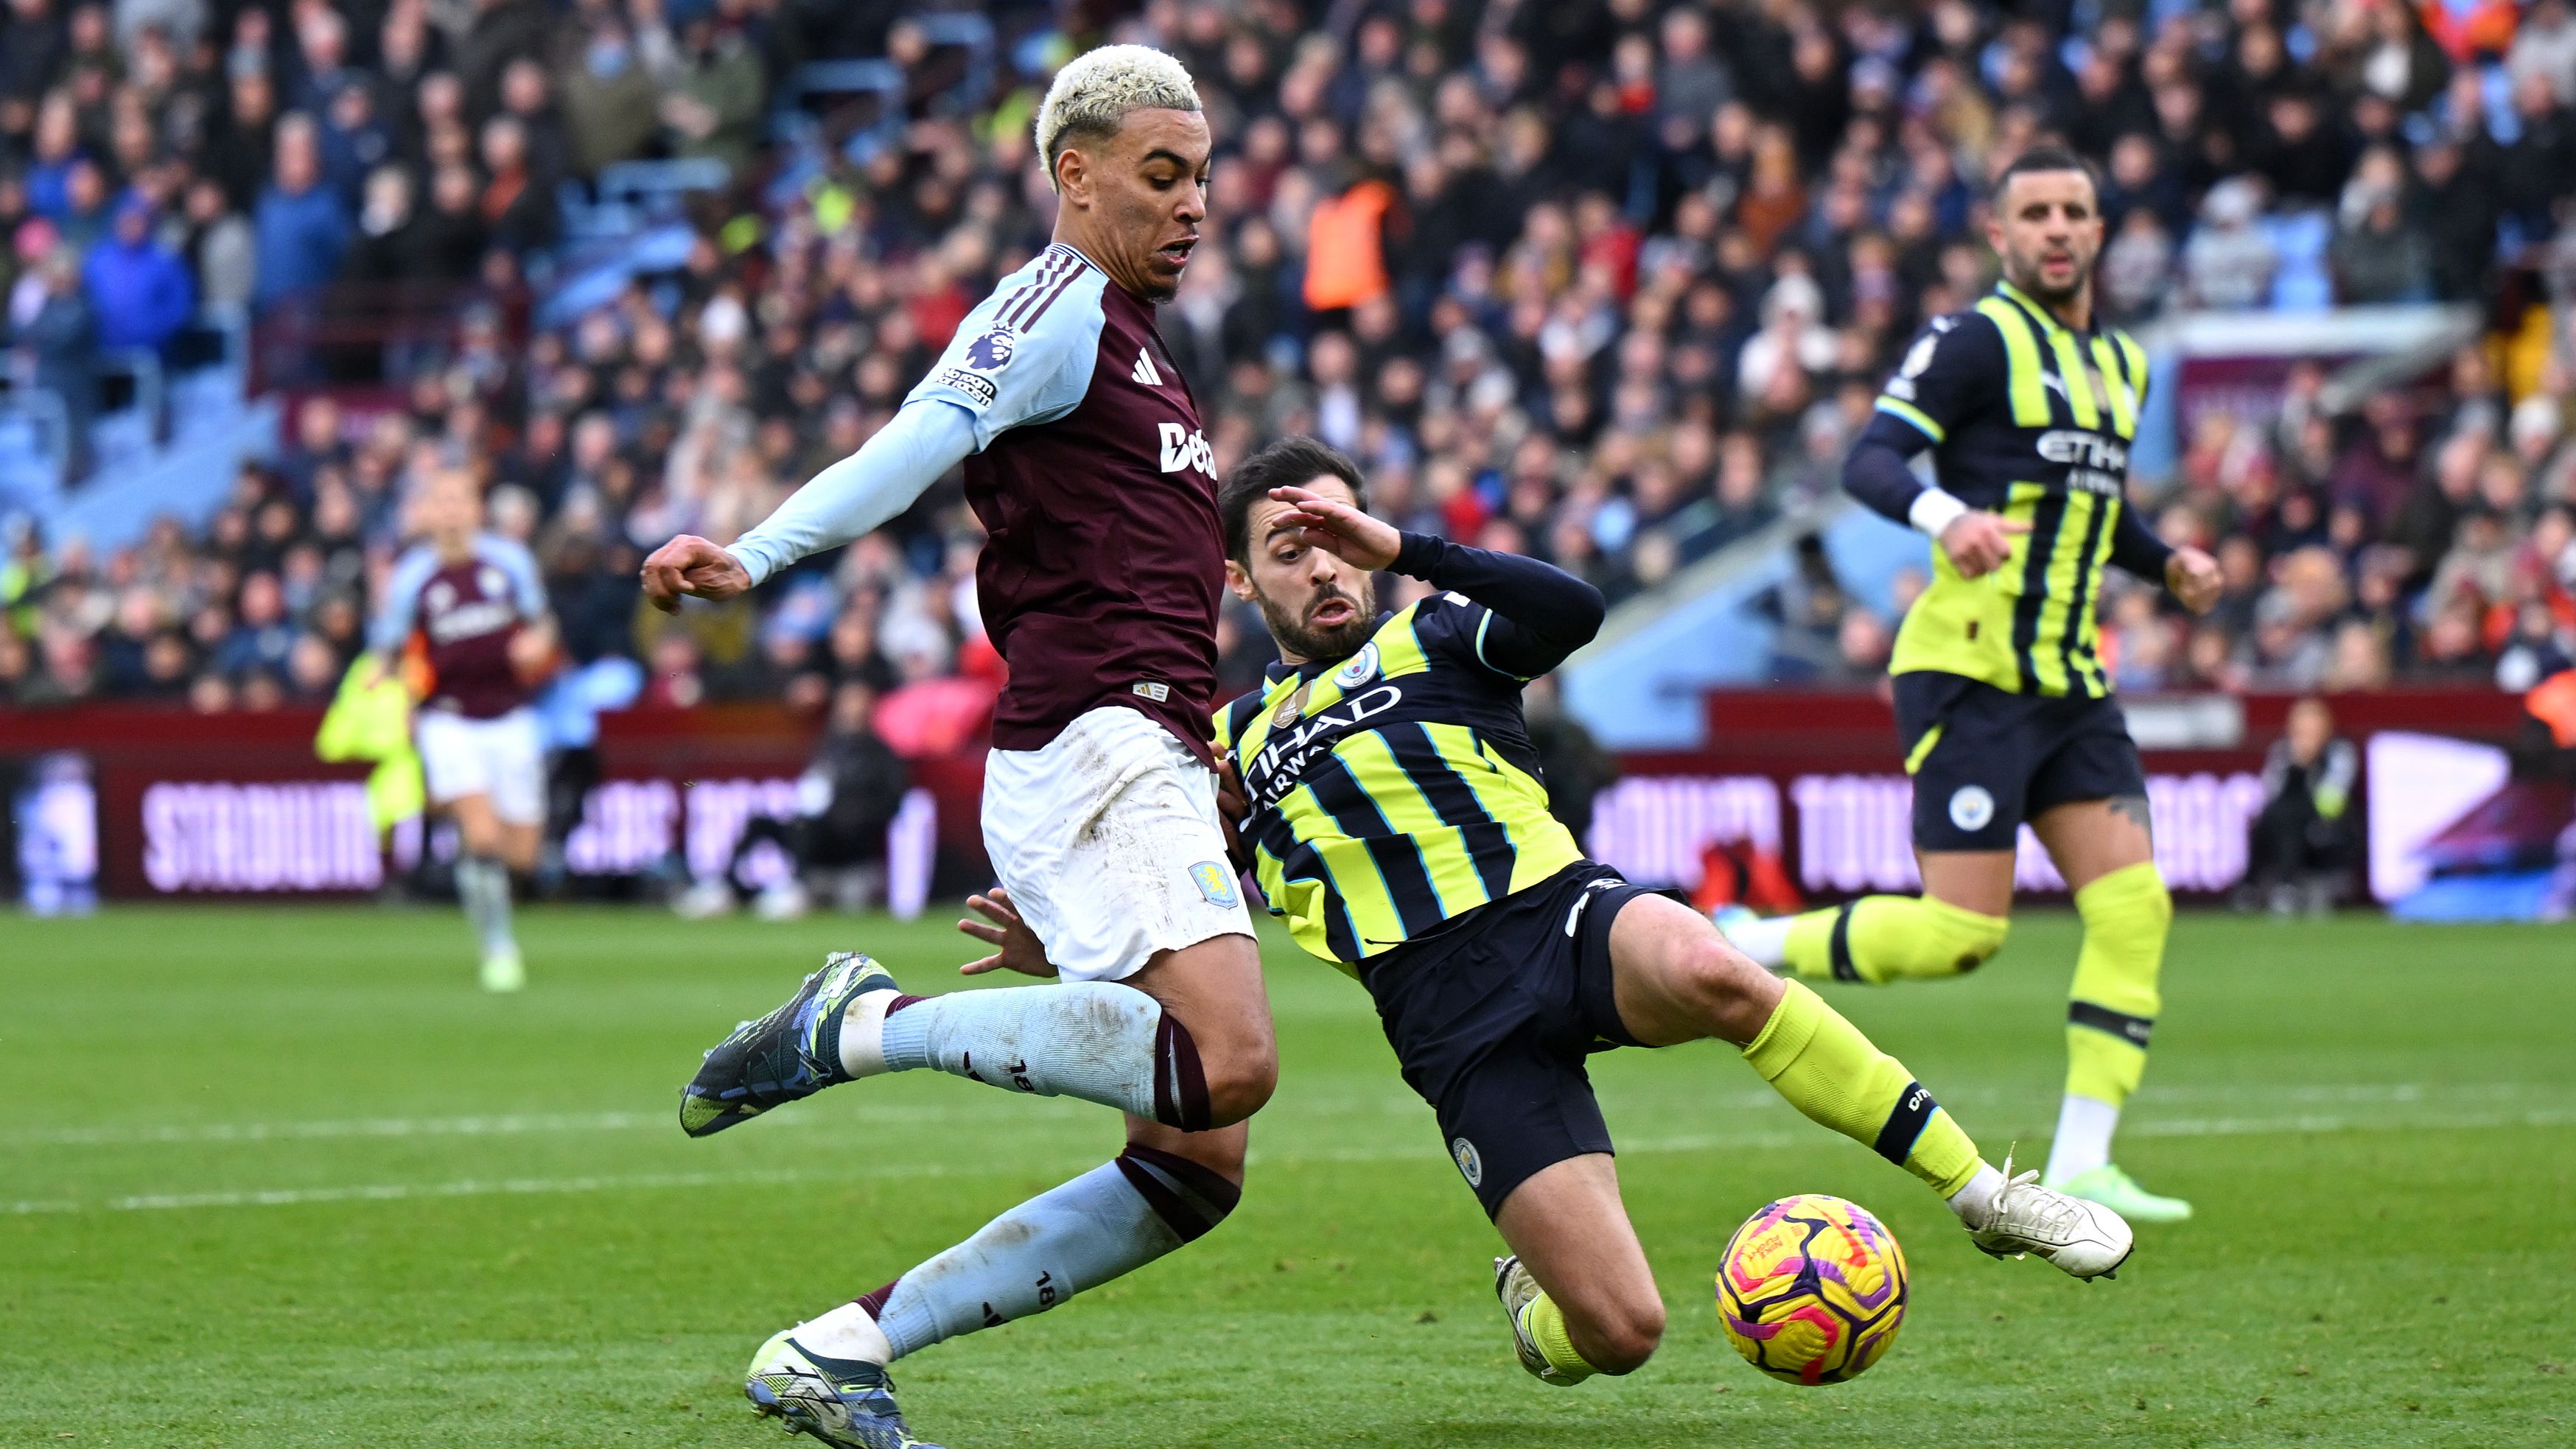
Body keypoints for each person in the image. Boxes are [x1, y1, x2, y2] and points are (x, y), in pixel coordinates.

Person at [1126, 438, 2125, 1386]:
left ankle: (1983, 1194)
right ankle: (1540, 1312)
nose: (1324, 566)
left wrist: (1414, 552)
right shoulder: (1224, 746)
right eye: (1291, 550)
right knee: (1620, 1331)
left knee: (1716, 969)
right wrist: (1079, 930)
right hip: (1447, 1017)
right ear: (1242, 580)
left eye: (1343, 536)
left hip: (1558, 916)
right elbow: (1162, 894)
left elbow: (1574, 609)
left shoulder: (1434, 632)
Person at [639, 46, 1270, 1449]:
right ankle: (855, 1025)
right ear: (1075, 172)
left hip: (1148, 744)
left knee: (1197, 1160)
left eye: (1204, 180)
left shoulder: (1145, 344)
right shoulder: (1049, 309)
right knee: (1228, 1062)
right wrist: (755, 552)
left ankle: (837, 1346)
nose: (1193, 206)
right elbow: (915, 438)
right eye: (1162, 177)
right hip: (1096, 735)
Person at [1717, 147, 2224, 1227]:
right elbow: (1873, 458)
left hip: (2069, 679)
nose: (2055, 228)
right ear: (1999, 235)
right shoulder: (1974, 338)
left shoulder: (2121, 365)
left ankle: (2085, 1159)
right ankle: (1749, 942)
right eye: (2033, 211)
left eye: (2073, 211)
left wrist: (2163, 558)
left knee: (2135, 902)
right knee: (1963, 933)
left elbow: (2095, 509)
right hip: (1968, 668)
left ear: (2100, 230)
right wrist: (1949, 517)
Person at [365, 467, 556, 992]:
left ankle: (468, 852)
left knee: (523, 852)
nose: (450, 511)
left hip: (510, 716)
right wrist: (388, 687)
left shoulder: (509, 561)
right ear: (427, 512)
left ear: (477, 509)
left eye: (460, 500)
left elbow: (543, 623)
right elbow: (388, 644)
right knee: (482, 833)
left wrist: (538, 643)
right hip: (447, 717)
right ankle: (498, 946)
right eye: (440, 501)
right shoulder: (412, 576)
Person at [676, 679, 911, 919]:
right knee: (762, 823)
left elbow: (892, 802)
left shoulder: (882, 755)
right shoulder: (829, 746)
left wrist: (850, 814)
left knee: (807, 827)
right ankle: (725, 888)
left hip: (849, 837)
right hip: (815, 826)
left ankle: (797, 888)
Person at [2243, 696, 2359, 913]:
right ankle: (2273, 885)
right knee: (2277, 818)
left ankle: (2276, 884)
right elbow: (2269, 792)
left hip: (2325, 824)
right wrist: (2294, 766)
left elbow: (2331, 800)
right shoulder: (2283, 752)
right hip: (2281, 824)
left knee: (2290, 816)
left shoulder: (2339, 752)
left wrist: (2308, 767)